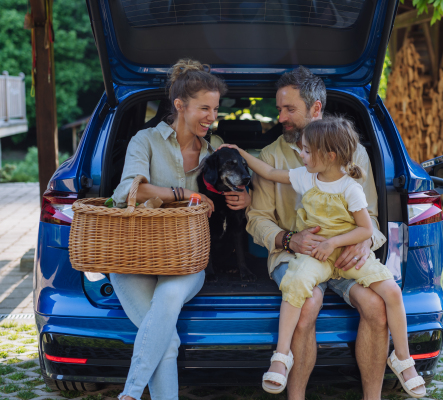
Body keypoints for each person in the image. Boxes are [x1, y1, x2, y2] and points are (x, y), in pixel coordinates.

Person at [222, 117, 425, 397]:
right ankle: (281, 358)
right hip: (316, 255)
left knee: (391, 290)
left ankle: (403, 359)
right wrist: (240, 152)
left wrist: (334, 243)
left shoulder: (351, 188)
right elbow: (269, 172)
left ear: (328, 155)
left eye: (305, 151)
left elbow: (366, 229)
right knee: (296, 286)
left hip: (343, 254)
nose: (301, 155)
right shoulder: (306, 176)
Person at [246, 66, 397, 400]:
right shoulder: (271, 155)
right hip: (293, 254)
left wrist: (365, 243)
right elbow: (256, 218)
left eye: (289, 109)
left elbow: (370, 215)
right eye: (279, 108)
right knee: (309, 301)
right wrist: (289, 238)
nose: (280, 116)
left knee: (375, 306)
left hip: (343, 253)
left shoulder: (354, 152)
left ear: (316, 109)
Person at [110, 59, 250, 400]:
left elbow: (252, 169)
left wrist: (245, 196)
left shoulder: (217, 150)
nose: (212, 118)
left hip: (187, 260)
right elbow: (125, 192)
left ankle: (129, 394)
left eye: (215, 109)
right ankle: (131, 393)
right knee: (167, 340)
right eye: (204, 108)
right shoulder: (145, 140)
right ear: (179, 105)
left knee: (170, 298)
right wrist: (182, 193)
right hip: (134, 258)